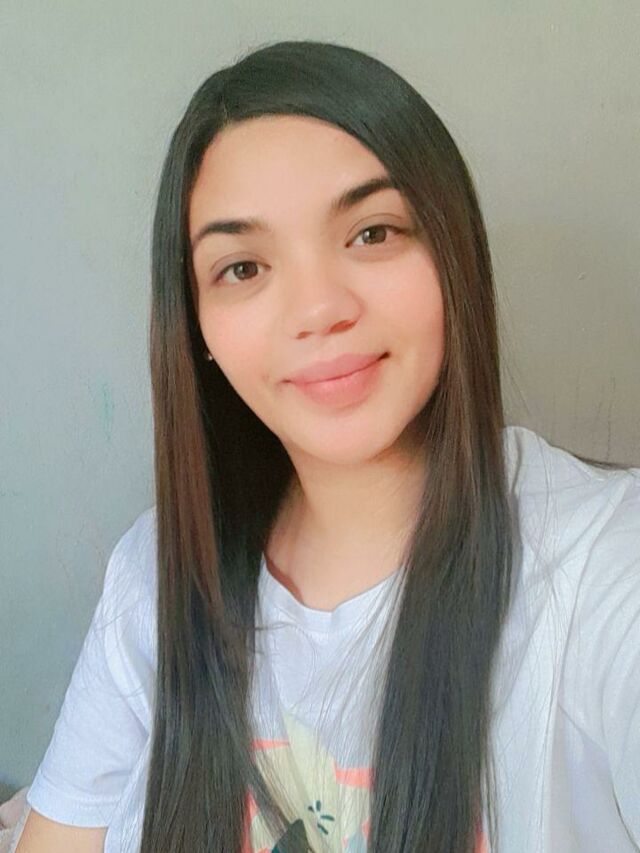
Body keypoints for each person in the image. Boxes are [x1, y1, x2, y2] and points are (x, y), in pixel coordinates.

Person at [15, 39, 640, 853]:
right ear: (197, 327)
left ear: (452, 251)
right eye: (243, 268)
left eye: (372, 232)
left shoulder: (602, 564)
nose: (318, 309)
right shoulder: (159, 577)